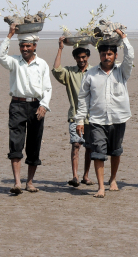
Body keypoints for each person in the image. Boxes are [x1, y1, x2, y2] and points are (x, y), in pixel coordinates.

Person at [75, 29, 132, 198]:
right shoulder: (90, 74)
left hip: (118, 119)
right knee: (97, 152)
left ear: (115, 55)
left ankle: (112, 179)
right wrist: (79, 119)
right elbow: (83, 98)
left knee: (115, 151)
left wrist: (124, 39)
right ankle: (100, 187)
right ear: (99, 55)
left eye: (110, 54)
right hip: (97, 120)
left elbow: (130, 57)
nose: (107, 57)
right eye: (103, 54)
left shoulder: (122, 71)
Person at [0, 23, 52, 194]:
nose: (25, 48)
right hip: (17, 105)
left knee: (34, 143)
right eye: (22, 46)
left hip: (36, 106)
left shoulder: (42, 64)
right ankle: (17, 182)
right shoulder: (14, 61)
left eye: (28, 45)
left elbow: (47, 88)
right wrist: (10, 35)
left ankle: (29, 182)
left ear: (34, 46)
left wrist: (44, 105)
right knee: (15, 142)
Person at [52, 38, 93, 188]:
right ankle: (75, 176)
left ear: (88, 56)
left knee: (89, 147)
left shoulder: (95, 71)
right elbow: (56, 70)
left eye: (84, 57)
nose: (81, 60)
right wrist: (60, 48)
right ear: (75, 58)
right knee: (76, 144)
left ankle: (86, 176)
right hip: (75, 116)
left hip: (93, 117)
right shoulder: (69, 72)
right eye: (78, 57)